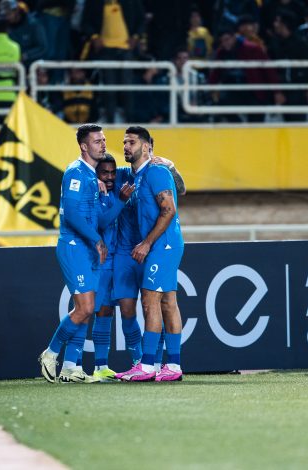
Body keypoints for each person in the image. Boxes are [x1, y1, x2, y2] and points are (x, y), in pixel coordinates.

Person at [38, 123, 114, 384]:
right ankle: (50, 353)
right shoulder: (75, 172)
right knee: (85, 307)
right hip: (74, 247)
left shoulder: (91, 176)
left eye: (103, 140)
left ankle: (71, 367)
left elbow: (95, 216)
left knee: (86, 309)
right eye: (97, 141)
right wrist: (96, 240)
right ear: (83, 146)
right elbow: (71, 214)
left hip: (87, 249)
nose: (103, 145)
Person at [116, 126, 185, 382]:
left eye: (131, 142)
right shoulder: (138, 175)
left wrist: (146, 243)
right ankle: (173, 365)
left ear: (146, 147)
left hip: (163, 245)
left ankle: (147, 365)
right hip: (163, 244)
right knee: (167, 302)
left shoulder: (156, 171)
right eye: (124, 142)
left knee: (149, 300)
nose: (126, 146)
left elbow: (169, 209)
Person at [61, 153, 134, 382]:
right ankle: (73, 364)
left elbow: (135, 168)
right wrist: (121, 201)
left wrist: (160, 160)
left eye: (113, 173)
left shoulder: (114, 184)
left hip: (114, 260)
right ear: (96, 173)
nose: (110, 177)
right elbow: (102, 222)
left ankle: (101, 366)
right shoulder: (95, 193)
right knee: (87, 311)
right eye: (105, 173)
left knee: (106, 312)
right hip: (98, 259)